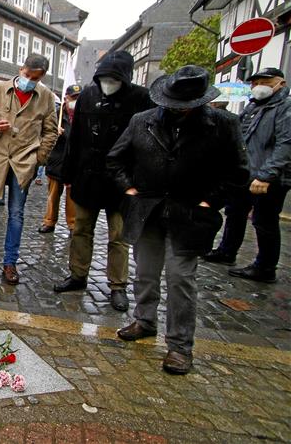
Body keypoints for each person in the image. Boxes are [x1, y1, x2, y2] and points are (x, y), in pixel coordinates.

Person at [108, 65, 248, 374]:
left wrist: (210, 201)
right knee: (145, 272)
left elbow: (238, 172)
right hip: (148, 210)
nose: (177, 110)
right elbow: (116, 159)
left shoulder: (223, 124)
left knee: (180, 277)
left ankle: (180, 345)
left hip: (190, 214)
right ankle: (144, 320)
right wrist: (129, 189)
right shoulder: (142, 121)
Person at [53, 51, 153, 311]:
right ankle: (78, 274)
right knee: (81, 230)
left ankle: (117, 285)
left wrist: (138, 182)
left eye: (114, 79)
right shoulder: (88, 95)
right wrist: (68, 175)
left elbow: (146, 144)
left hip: (121, 182)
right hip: (87, 177)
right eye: (105, 79)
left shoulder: (141, 98)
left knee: (118, 236)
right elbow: (75, 139)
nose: (108, 84)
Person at [0, 54, 58, 285]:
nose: (30, 80)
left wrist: (38, 159)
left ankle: (10, 263)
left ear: (42, 77)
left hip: (24, 162)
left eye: (35, 78)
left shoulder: (46, 97)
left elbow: (50, 132)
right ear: (21, 69)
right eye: (27, 75)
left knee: (16, 213)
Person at [204, 67, 290, 283]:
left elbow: (285, 144)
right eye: (255, 82)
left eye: (265, 82)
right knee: (234, 212)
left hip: (268, 177)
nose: (258, 86)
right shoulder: (253, 106)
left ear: (281, 83)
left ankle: (265, 267)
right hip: (246, 173)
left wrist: (267, 175)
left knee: (264, 220)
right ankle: (227, 251)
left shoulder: (285, 108)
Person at [38, 84, 82, 233]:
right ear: (66, 98)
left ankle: (73, 224)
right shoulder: (56, 114)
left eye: (78, 98)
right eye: (73, 97)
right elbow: (42, 132)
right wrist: (54, 132)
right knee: (53, 195)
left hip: (74, 162)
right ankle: (49, 221)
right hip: (57, 159)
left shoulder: (83, 115)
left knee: (72, 197)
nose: (76, 101)